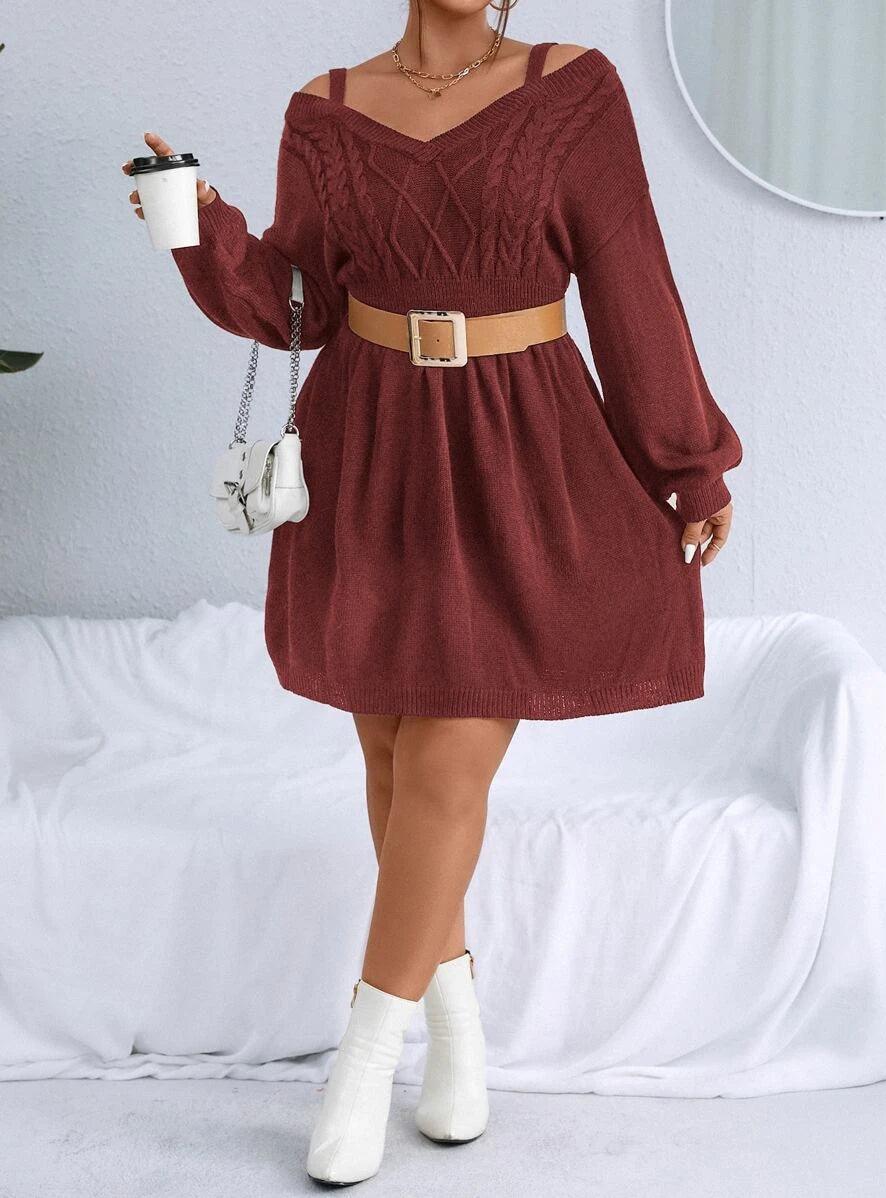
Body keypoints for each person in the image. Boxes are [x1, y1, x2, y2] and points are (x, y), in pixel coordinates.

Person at [122, 0, 742, 1186]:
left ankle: (363, 1063)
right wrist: (196, 223)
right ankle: (456, 1031)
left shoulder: (574, 90)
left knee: (450, 758)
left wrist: (687, 461)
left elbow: (632, 279)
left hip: (525, 454)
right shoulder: (324, 110)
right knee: (394, 759)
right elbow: (300, 303)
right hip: (373, 448)